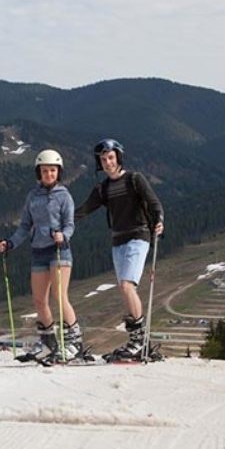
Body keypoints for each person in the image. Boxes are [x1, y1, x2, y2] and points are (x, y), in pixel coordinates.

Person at [75, 138, 164, 360]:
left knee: (127, 286)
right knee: (125, 289)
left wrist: (159, 220)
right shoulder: (103, 189)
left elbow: (154, 202)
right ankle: (138, 341)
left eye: (111, 158)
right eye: (103, 160)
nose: (108, 163)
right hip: (118, 241)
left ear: (118, 157)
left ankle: (139, 341)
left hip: (139, 236)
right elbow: (85, 209)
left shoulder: (135, 179)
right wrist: (63, 222)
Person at [0, 149, 83, 364]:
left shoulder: (64, 196)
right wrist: (10, 243)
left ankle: (75, 343)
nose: (49, 174)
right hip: (38, 251)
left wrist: (63, 236)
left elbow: (70, 224)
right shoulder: (32, 196)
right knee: (39, 300)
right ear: (39, 173)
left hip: (59, 250)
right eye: (45, 171)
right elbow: (24, 226)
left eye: (52, 170)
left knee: (59, 296)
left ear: (59, 172)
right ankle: (49, 344)